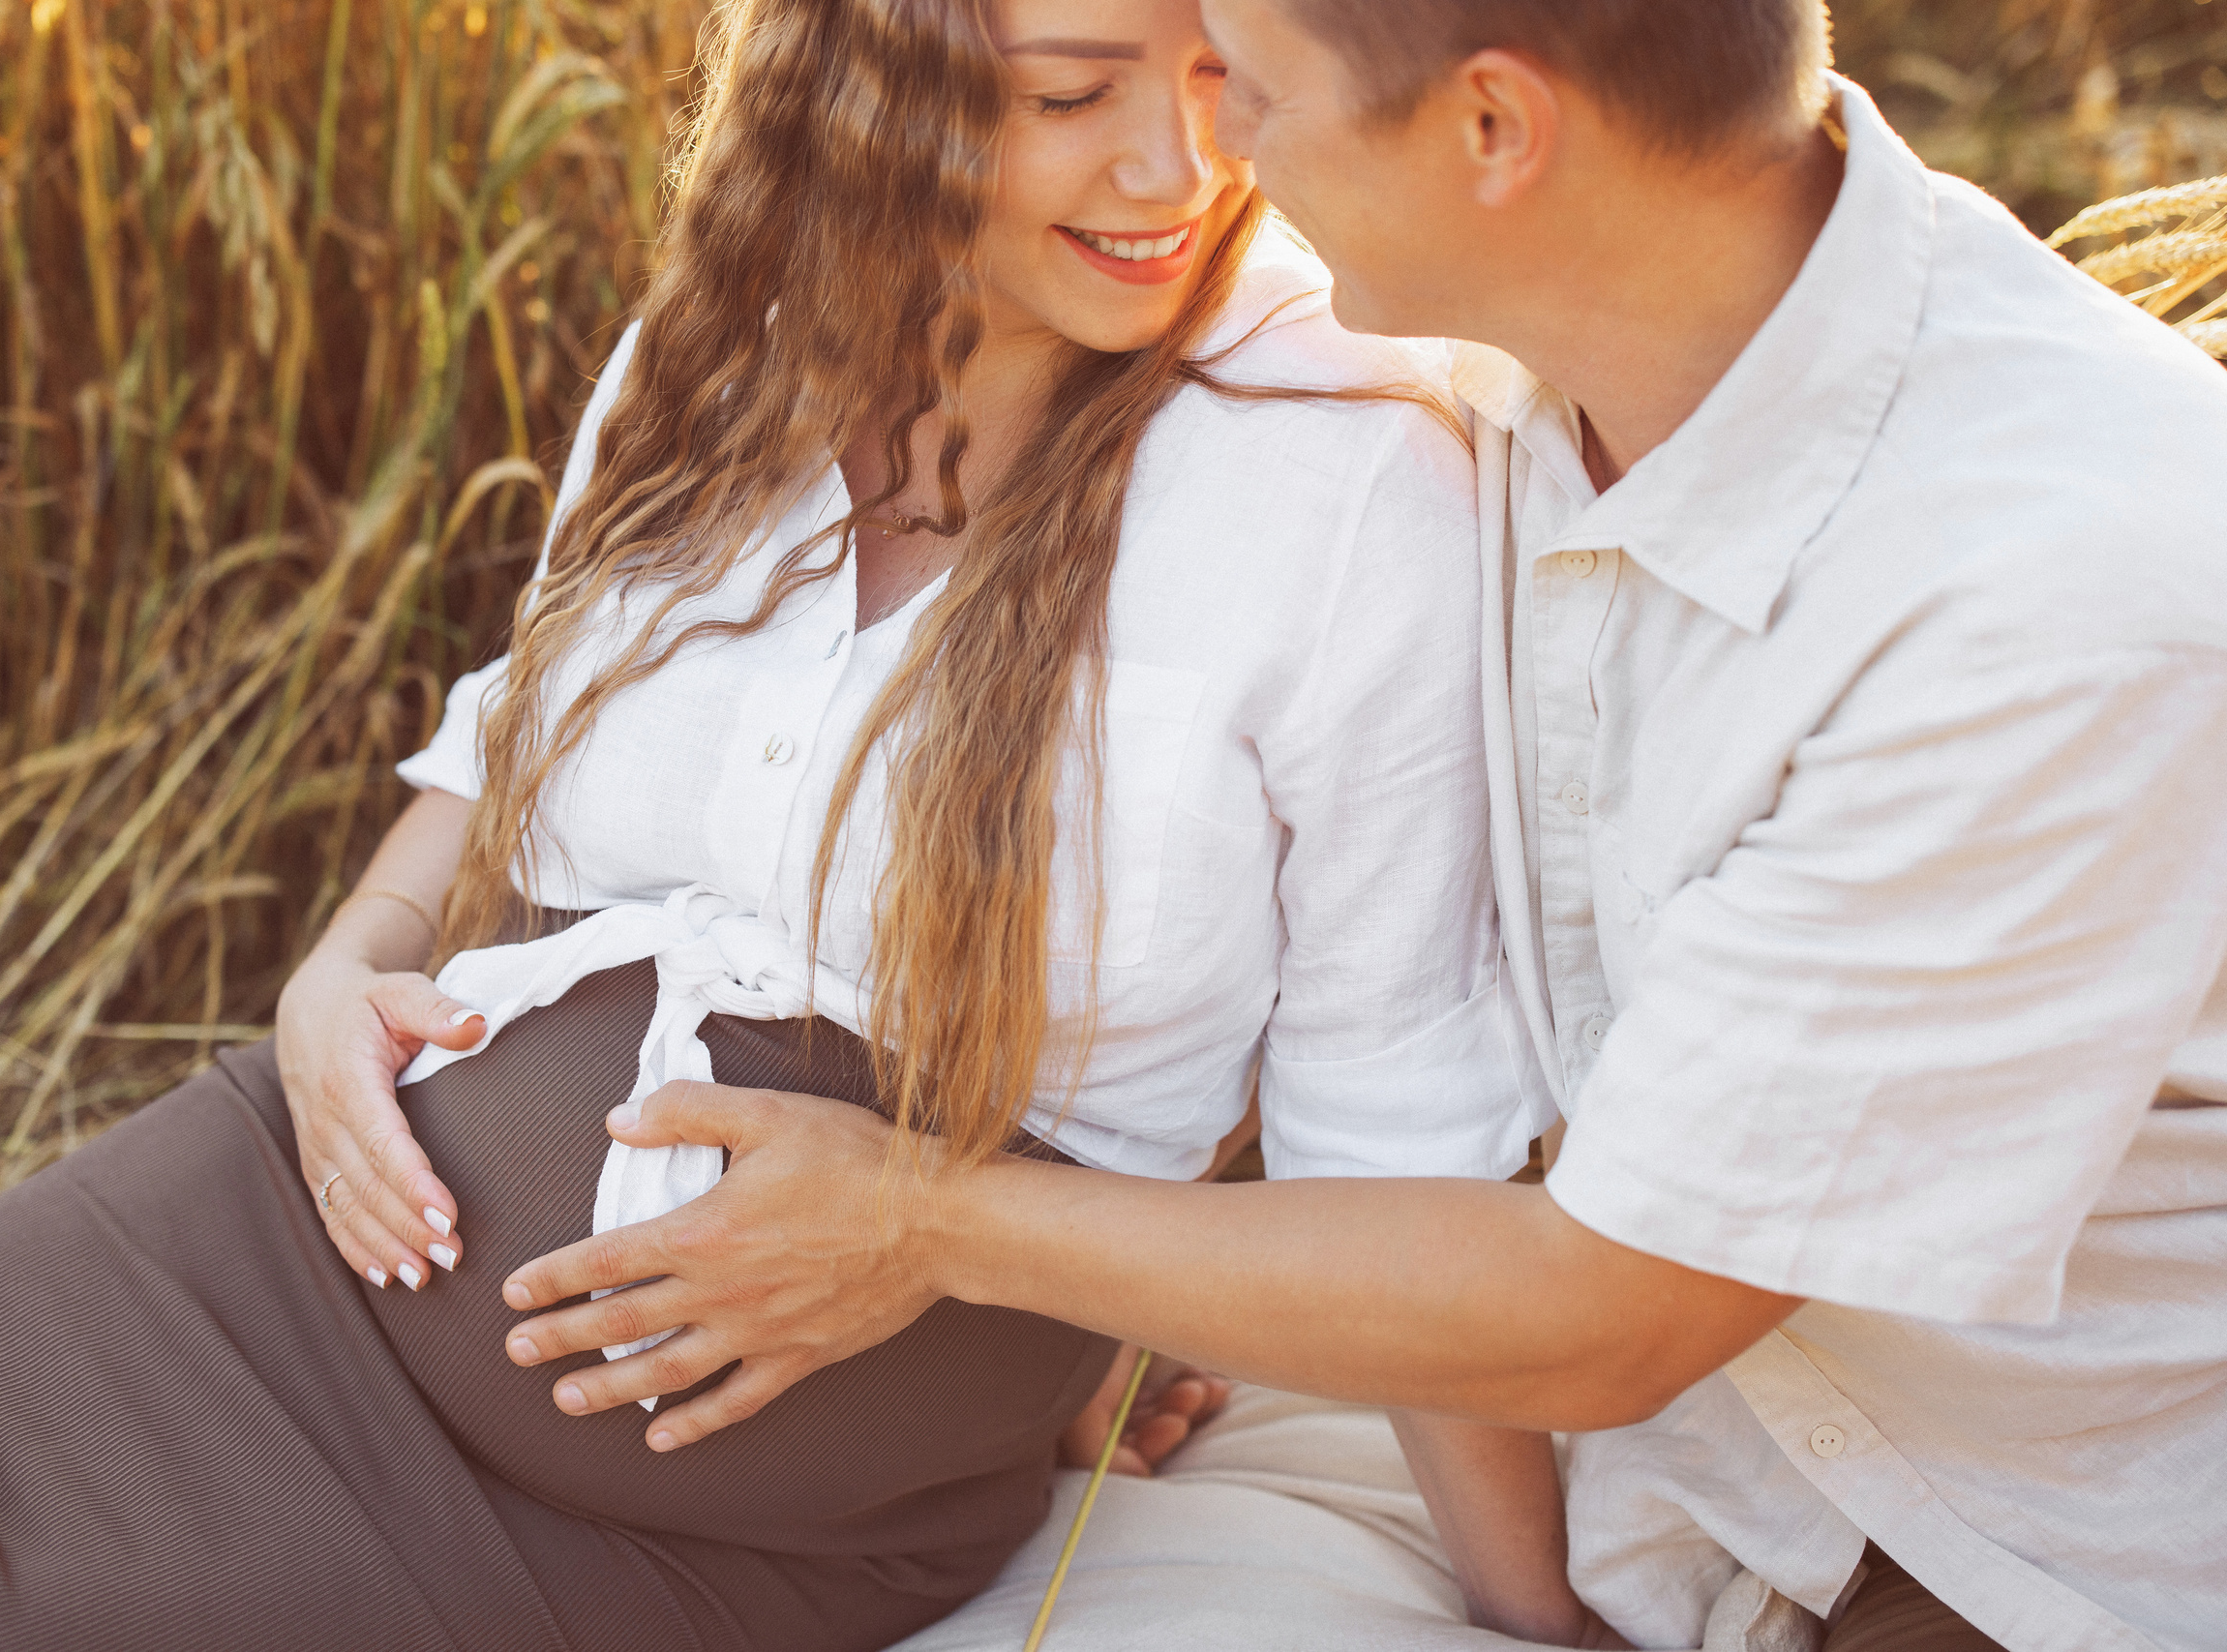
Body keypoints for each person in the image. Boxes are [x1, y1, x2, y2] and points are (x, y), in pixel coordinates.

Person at [0, 0, 1569, 1647]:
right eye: (1068, 95)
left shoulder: (1353, 472)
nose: (1176, 168)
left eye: (1212, 81)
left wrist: (1532, 1612)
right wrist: (342, 975)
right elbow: (509, 732)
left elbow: (1391, 1108)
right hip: (313, 1230)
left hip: (766, 1488)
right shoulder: (708, 371)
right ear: (874, 93)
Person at [481, 3, 2227, 1650]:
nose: (1211, 148)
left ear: (1491, 126)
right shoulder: (1543, 332)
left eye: (1246, 78)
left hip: (2026, 1540)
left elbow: (1612, 1308)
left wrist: (942, 1227)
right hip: (1691, 1461)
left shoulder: (2048, 588)